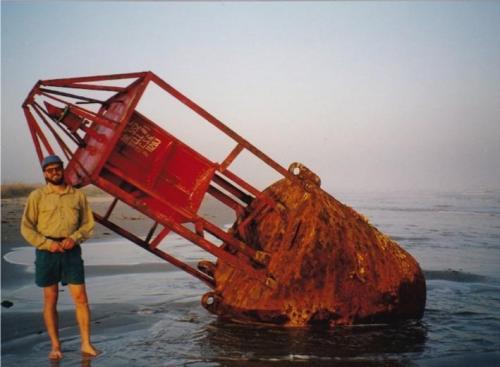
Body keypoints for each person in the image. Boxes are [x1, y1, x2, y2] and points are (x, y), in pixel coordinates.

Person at [20, 154, 99, 360]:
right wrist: (47, 244)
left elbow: (88, 224)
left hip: (71, 250)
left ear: (63, 169)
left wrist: (75, 238)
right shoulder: (37, 196)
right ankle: (56, 346)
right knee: (50, 299)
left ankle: (86, 344)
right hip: (47, 252)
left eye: (57, 168)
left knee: (81, 298)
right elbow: (26, 228)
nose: (54, 173)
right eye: (50, 170)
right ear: (45, 173)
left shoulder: (77, 196)